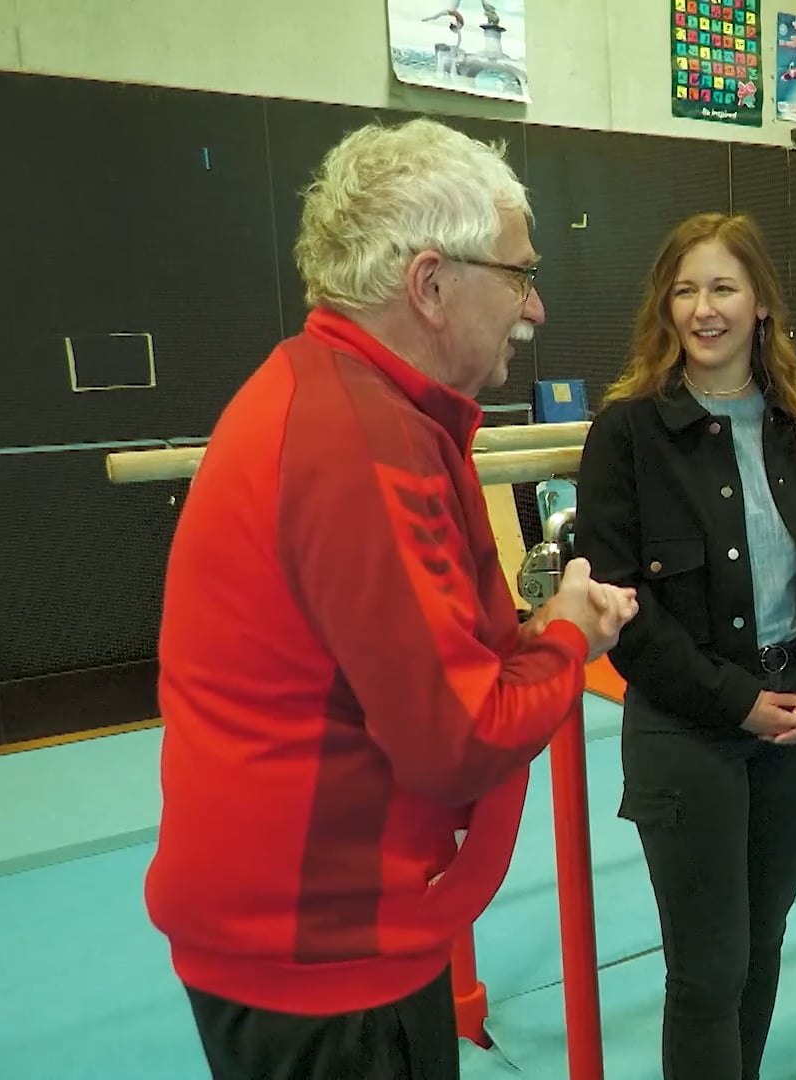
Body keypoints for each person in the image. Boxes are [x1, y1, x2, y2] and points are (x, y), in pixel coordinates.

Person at [144, 117, 637, 1080]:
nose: (534, 311)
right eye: (521, 276)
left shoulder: (346, 400)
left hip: (311, 930)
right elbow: (459, 739)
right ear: (431, 283)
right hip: (327, 959)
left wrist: (525, 638)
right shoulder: (355, 441)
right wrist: (569, 637)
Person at [573, 212, 796, 1080]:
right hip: (690, 727)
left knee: (764, 939)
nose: (705, 309)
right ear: (665, 309)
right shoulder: (627, 433)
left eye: (723, 288)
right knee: (708, 971)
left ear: (762, 305)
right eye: (685, 290)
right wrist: (737, 703)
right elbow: (623, 612)